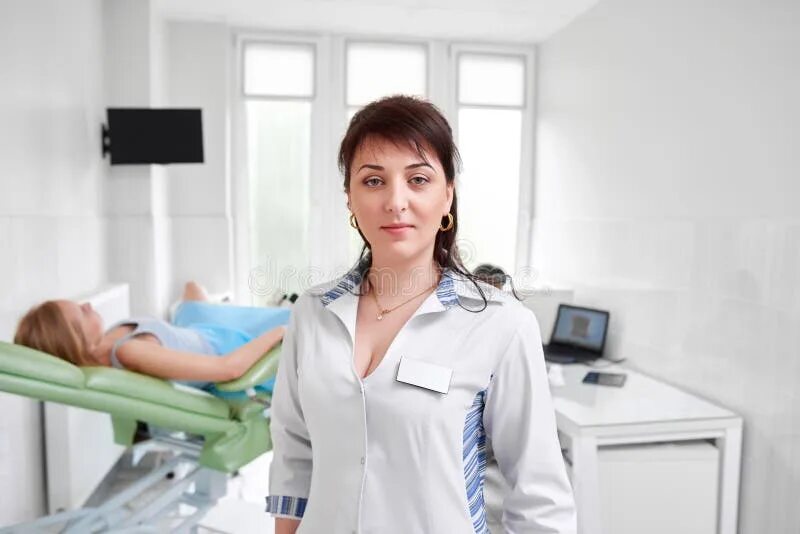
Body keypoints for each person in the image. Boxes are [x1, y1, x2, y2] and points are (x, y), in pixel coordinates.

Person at [267, 95, 576, 533]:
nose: (396, 201)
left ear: (447, 195)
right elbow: (295, 456)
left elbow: (540, 500)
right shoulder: (313, 313)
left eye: (418, 179)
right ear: (350, 199)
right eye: (374, 181)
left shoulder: (501, 325)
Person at [13, 281, 288, 392]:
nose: (87, 306)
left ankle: (222, 308)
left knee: (191, 288)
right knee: (305, 314)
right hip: (229, 344)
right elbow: (229, 368)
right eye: (80, 315)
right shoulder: (129, 352)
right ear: (72, 341)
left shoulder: (110, 342)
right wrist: (280, 332)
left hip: (199, 331)